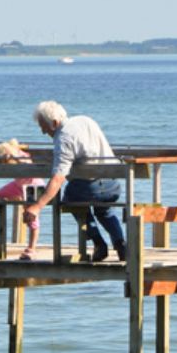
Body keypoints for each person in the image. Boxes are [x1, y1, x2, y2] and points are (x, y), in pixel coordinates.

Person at [22, 100, 126, 262]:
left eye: (43, 126)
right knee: (105, 210)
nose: (43, 131)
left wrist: (37, 206)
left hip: (92, 186)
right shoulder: (85, 120)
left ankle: (99, 243)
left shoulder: (63, 139)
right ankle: (121, 245)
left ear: (55, 123)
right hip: (112, 182)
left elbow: (58, 178)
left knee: (70, 198)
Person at [0, 139, 45, 260]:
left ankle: (32, 248)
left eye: (5, 160)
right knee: (0, 194)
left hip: (34, 185)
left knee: (32, 217)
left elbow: (29, 166)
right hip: (18, 185)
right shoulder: (8, 159)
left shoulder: (22, 157)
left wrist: (14, 157)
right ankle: (19, 200)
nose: (4, 163)